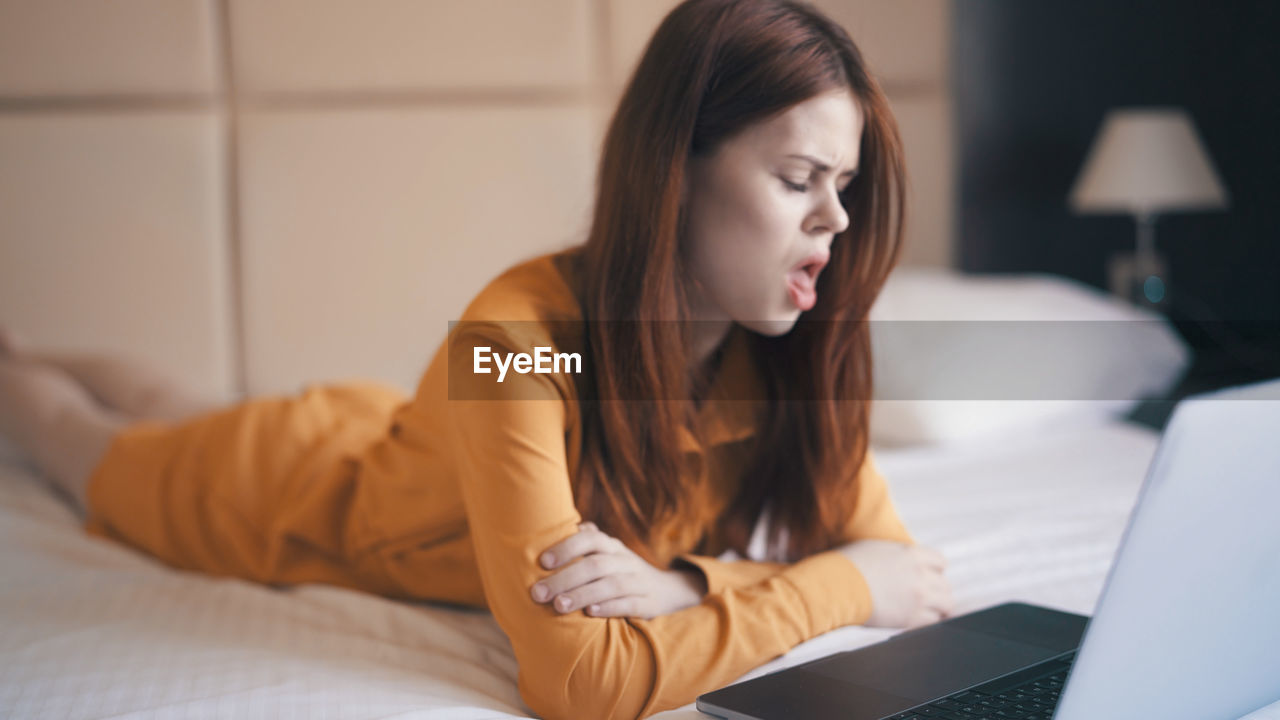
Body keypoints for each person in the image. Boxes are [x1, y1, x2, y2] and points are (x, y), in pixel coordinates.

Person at [0, 0, 953, 718]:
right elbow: (579, 679)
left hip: (382, 426)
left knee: (172, 394)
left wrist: (685, 587)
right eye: (797, 180)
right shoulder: (509, 342)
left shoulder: (784, 355)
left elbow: (906, 572)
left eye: (845, 186)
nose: (834, 220)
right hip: (278, 492)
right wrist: (845, 587)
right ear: (676, 172)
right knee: (56, 424)